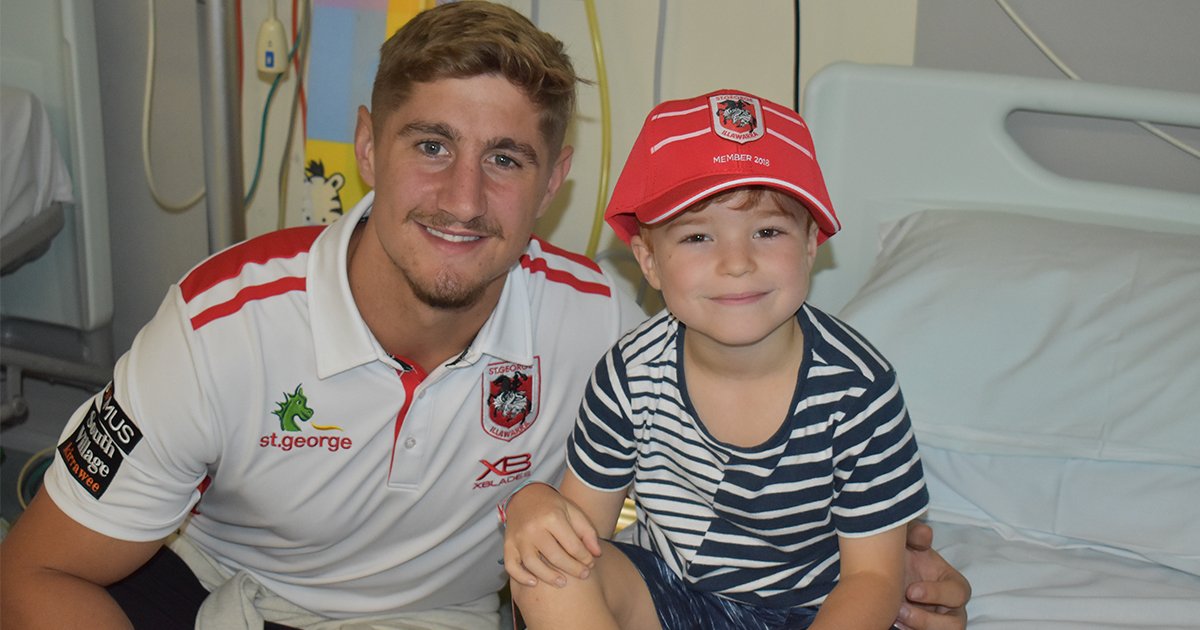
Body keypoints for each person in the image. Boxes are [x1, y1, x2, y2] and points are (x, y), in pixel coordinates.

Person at [0, 3, 969, 629]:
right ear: (369, 150)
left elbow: (711, 454)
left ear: (553, 182)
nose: (464, 198)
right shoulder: (223, 329)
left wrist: (895, 574)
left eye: (505, 159)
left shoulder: (600, 334)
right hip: (222, 588)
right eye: (432, 144)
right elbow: (34, 576)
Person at [502, 89, 936, 630]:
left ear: (809, 245)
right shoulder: (627, 377)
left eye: (768, 231)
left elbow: (872, 580)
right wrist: (532, 504)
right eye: (698, 236)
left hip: (817, 612)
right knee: (548, 570)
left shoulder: (858, 390)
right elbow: (581, 535)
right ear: (650, 262)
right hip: (674, 596)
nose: (736, 263)